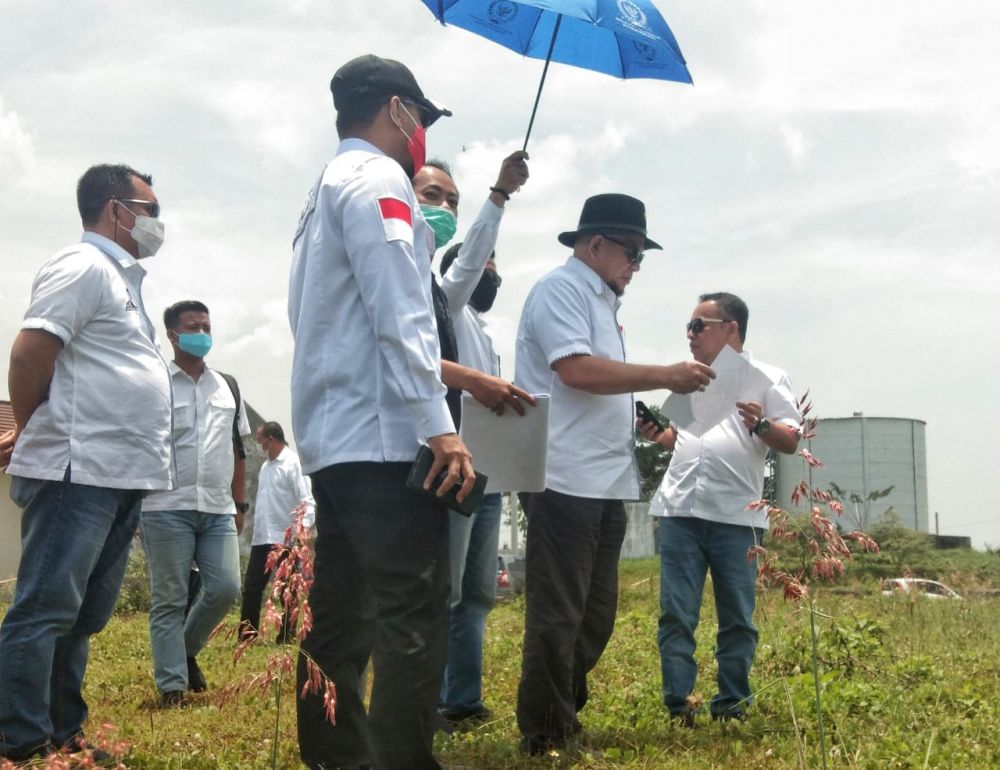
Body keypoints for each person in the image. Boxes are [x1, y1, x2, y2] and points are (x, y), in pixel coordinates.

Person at [287, 54, 477, 770]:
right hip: (384, 439)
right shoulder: (378, 180)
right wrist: (441, 428)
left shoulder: (321, 192)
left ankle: (337, 757)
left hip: (334, 439)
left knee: (340, 618)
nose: (421, 133)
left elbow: (302, 316)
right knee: (412, 615)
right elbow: (403, 316)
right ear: (398, 110)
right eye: (421, 118)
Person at [513, 193, 715, 755]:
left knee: (595, 615)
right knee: (559, 614)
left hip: (603, 481)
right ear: (595, 244)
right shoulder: (560, 290)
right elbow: (575, 370)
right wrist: (662, 375)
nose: (636, 266)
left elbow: (601, 382)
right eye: (631, 252)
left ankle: (556, 712)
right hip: (562, 477)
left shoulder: (601, 301)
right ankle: (547, 733)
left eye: (641, 257)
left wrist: (639, 409)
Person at [0, 164, 173, 763]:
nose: (156, 222)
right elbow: (30, 353)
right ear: (114, 208)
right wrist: (31, 430)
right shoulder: (83, 266)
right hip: (78, 470)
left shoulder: (124, 282)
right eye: (148, 209)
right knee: (45, 609)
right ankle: (20, 741)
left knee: (82, 615)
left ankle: (62, 732)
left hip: (120, 473)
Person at [639, 292, 801, 723]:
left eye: (698, 326)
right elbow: (687, 441)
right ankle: (679, 706)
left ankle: (732, 704)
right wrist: (660, 436)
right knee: (676, 614)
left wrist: (762, 424)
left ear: (730, 329)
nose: (689, 335)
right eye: (688, 328)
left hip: (736, 517)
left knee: (738, 620)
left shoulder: (767, 377)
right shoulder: (688, 380)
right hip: (680, 511)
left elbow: (790, 439)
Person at [412, 153, 530, 728]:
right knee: (447, 590)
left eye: (452, 202)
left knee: (476, 592)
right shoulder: (440, 301)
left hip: (486, 473)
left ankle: (463, 697)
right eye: (433, 197)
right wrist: (499, 195)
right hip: (451, 465)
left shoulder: (480, 330)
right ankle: (429, 701)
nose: (444, 210)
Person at [140, 300, 250, 706]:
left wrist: (240, 505)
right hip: (164, 507)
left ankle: (184, 651)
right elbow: (140, 444)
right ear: (172, 334)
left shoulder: (228, 385)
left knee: (224, 588)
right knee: (169, 598)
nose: (202, 334)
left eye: (207, 326)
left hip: (218, 508)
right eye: (193, 327)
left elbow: (239, 451)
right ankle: (171, 686)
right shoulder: (155, 382)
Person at [239, 421, 315, 643]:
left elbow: (306, 501)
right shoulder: (266, 467)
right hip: (262, 537)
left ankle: (287, 636)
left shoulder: (293, 464)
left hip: (286, 537)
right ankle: (247, 636)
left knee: (287, 591)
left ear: (271, 439)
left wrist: (304, 530)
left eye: (260, 438)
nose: (258, 443)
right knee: (252, 587)